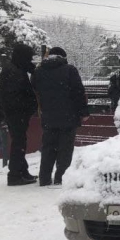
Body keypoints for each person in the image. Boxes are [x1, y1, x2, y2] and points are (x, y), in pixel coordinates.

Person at [31, 46, 89, 186]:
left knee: (48, 147)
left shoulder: (38, 71)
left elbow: (34, 89)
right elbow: (78, 92)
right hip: (68, 116)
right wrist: (84, 112)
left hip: (48, 116)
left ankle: (44, 178)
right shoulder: (69, 70)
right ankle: (61, 177)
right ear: (63, 57)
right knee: (65, 148)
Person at [0, 43, 39, 186]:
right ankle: (15, 174)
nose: (31, 60)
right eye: (29, 57)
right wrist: (27, 107)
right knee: (18, 143)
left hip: (17, 113)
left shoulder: (15, 69)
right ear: (22, 57)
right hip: (17, 114)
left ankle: (22, 171)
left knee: (20, 141)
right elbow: (15, 96)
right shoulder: (12, 72)